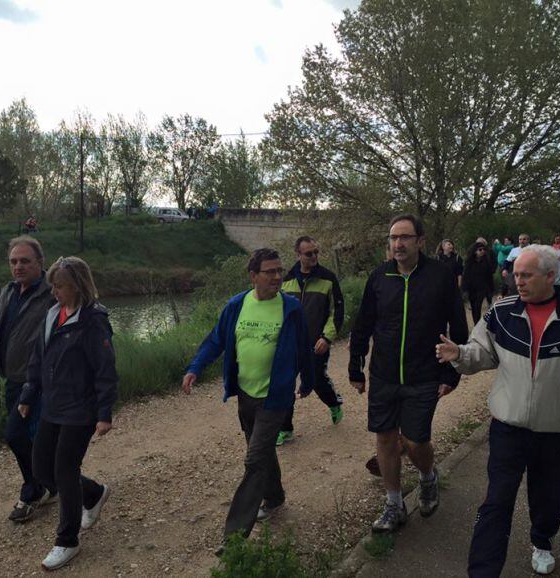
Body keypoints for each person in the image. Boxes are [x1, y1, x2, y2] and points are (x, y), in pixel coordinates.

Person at [436, 245, 560, 576]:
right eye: (515, 274)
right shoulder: (500, 313)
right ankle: (483, 570)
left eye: (526, 275)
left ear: (551, 276)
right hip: (508, 426)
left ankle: (542, 540)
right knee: (496, 502)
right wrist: (460, 353)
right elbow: (483, 353)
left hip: (557, 428)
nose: (517, 281)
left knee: (549, 496)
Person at [181, 248, 314, 553]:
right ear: (253, 276)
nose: (277, 277)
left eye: (280, 270)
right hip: (245, 393)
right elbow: (216, 339)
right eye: (270, 272)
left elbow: (304, 347)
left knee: (254, 460)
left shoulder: (291, 309)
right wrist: (195, 368)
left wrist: (309, 380)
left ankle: (235, 538)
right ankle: (276, 496)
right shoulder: (237, 305)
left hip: (275, 396)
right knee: (261, 450)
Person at [349, 214, 468, 534]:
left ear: (420, 241)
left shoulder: (440, 276)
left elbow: (458, 326)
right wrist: (355, 366)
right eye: (392, 238)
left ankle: (428, 478)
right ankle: (393, 503)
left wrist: (454, 371)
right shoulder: (379, 276)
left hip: (424, 373)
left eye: (404, 237)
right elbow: (363, 324)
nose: (397, 243)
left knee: (416, 442)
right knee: (385, 438)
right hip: (384, 374)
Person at [19, 256, 118, 570]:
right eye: (52, 285)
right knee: (42, 469)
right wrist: (28, 394)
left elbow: (105, 369)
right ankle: (94, 492)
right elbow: (38, 357)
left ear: (77, 285)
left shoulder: (93, 320)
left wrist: (104, 412)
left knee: (64, 469)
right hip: (52, 405)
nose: (54, 291)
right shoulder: (52, 315)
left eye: (59, 285)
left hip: (81, 410)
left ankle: (67, 541)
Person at [0, 235, 56, 522]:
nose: (18, 266)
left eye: (25, 261)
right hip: (14, 379)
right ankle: (51, 481)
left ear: (39, 263)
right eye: (13, 261)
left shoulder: (53, 292)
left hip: (41, 381)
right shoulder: (8, 293)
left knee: (16, 434)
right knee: (31, 438)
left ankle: (33, 490)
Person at [278, 236, 345, 444]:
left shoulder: (328, 278)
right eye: (309, 253)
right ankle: (285, 429)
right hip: (290, 344)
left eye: (316, 252)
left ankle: (334, 403)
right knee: (285, 383)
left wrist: (327, 337)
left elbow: (337, 311)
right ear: (298, 255)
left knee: (316, 380)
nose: (314, 256)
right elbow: (276, 310)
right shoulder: (285, 280)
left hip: (317, 342)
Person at [462, 241, 496, 324]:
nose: (482, 251)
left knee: (478, 305)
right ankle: (476, 323)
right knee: (474, 308)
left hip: (482, 288)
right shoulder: (469, 262)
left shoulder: (486, 262)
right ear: (475, 251)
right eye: (480, 250)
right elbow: (465, 276)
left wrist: (491, 289)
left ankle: (479, 324)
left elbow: (489, 276)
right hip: (472, 289)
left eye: (483, 249)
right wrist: (464, 289)